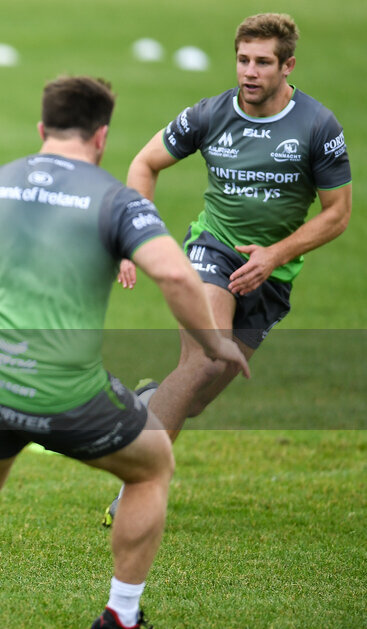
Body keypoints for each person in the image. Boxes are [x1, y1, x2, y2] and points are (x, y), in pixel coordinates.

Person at [0, 76, 250, 628]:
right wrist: (213, 343)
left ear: (42, 129)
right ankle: (122, 615)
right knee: (152, 467)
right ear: (101, 136)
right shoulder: (115, 198)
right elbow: (176, 275)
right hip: (67, 391)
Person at [107, 13, 352, 525]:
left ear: (287, 66)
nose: (250, 72)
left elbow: (338, 214)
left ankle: (143, 403)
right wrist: (134, 239)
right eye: (243, 59)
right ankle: (137, 487)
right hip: (211, 251)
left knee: (193, 396)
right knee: (201, 361)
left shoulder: (317, 125)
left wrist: (275, 255)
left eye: (263, 62)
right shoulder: (209, 114)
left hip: (273, 274)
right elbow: (143, 164)